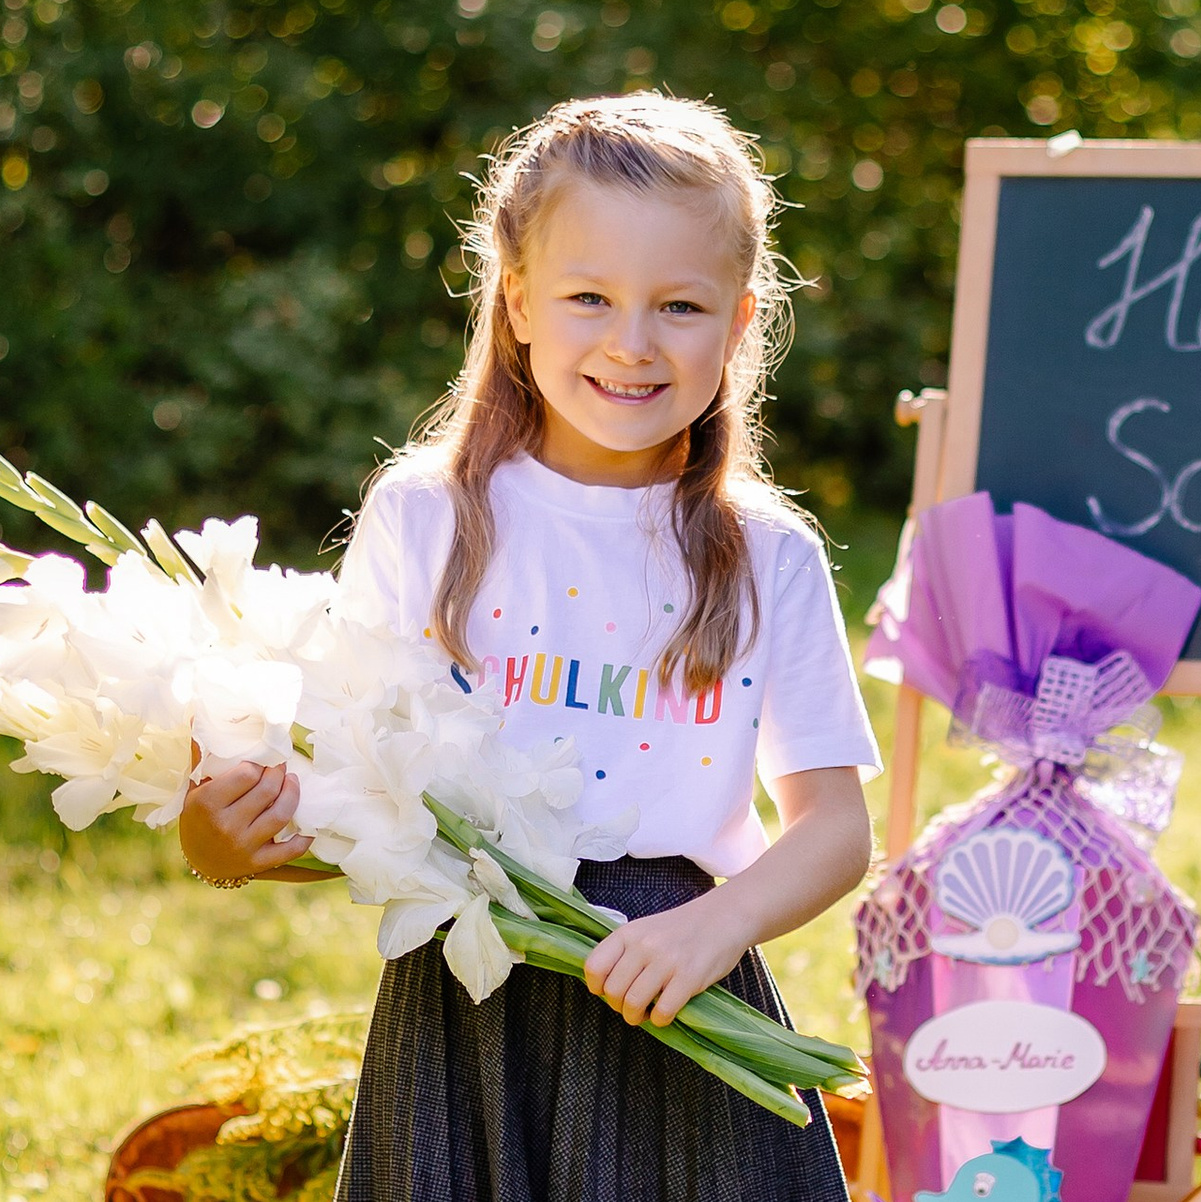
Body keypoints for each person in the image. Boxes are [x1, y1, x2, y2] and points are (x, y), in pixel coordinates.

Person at [179, 92, 881, 1201]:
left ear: (742, 324)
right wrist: (226, 837)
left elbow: (836, 827)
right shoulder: (427, 517)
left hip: (676, 991)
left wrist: (715, 927)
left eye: (681, 306)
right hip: (466, 997)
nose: (632, 343)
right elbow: (354, 803)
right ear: (515, 303)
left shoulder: (766, 554)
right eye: (588, 296)